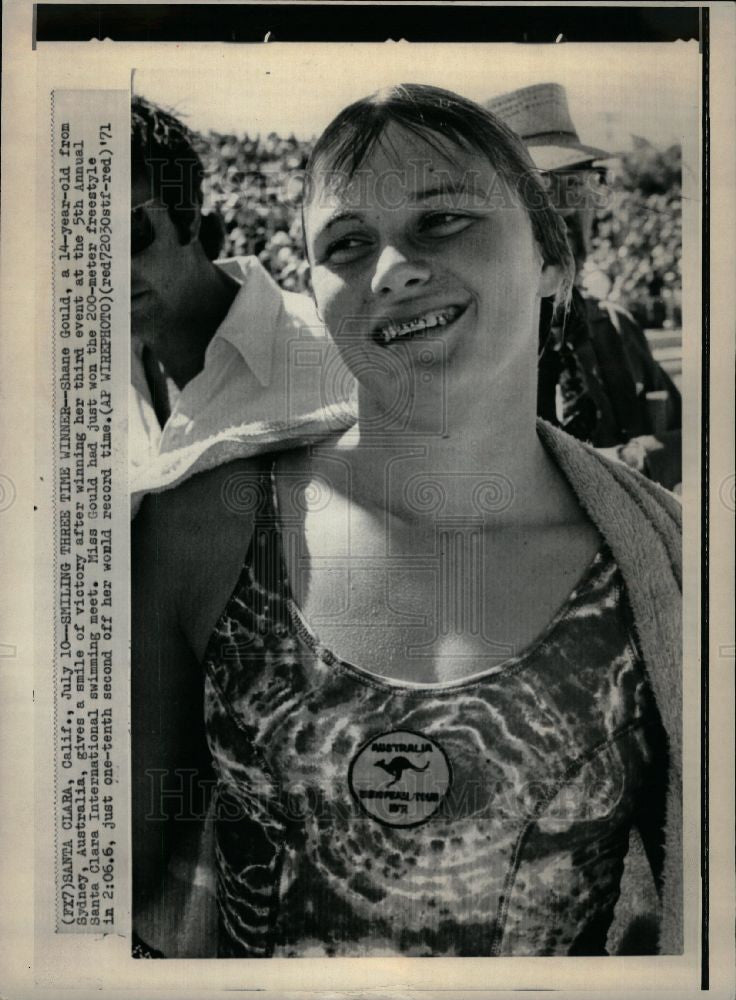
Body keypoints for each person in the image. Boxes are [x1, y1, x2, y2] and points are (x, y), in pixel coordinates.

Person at [132, 84, 682, 958]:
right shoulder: (198, 530)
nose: (390, 269)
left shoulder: (667, 571)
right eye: (346, 243)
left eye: (442, 222)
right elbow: (97, 891)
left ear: (551, 252)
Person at [129, 97, 356, 515]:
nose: (100, 269)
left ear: (190, 217)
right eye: (76, 245)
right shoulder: (75, 372)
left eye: (129, 230)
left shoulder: (331, 362)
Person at [485, 83, 682, 490]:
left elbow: (700, 441)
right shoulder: (468, 349)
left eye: (578, 186)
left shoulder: (615, 328)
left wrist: (642, 456)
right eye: (542, 192)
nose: (568, 211)